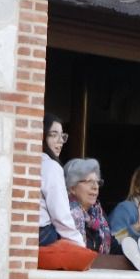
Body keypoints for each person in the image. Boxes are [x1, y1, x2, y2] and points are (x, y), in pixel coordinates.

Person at [37, 115, 97, 271]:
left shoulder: (30, 162)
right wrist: (80, 248)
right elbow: (61, 216)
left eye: (62, 136)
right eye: (53, 135)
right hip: (43, 234)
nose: (60, 141)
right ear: (41, 135)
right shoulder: (50, 166)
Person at [63, 159, 112, 260]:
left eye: (97, 182)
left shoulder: (99, 214)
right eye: (89, 181)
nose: (95, 187)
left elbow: (114, 246)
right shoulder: (64, 214)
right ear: (72, 187)